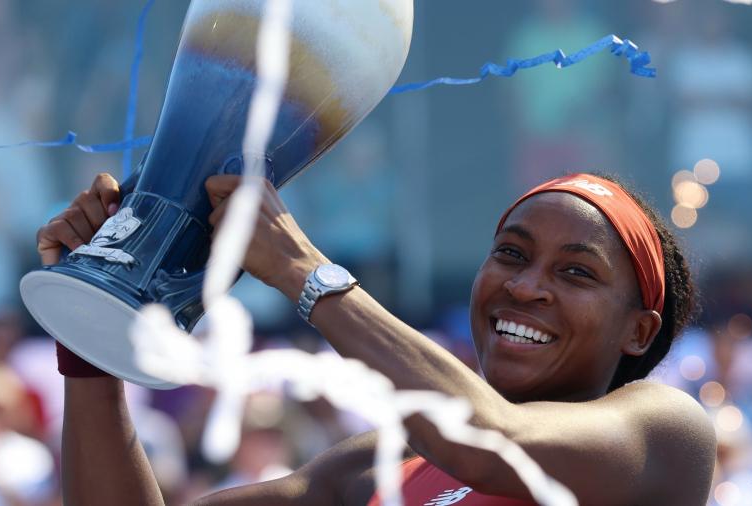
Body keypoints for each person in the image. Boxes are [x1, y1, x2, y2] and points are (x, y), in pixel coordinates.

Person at [35, 171, 716, 505]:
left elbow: (491, 439)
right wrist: (91, 330)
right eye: (511, 253)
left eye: (575, 271)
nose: (526, 286)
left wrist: (304, 271)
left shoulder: (664, 430)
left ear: (639, 331)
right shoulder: (384, 464)